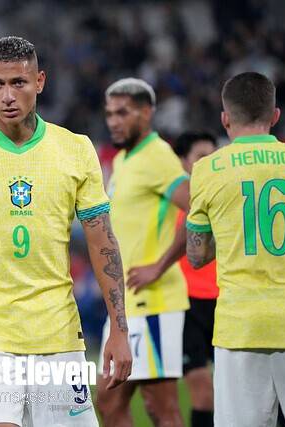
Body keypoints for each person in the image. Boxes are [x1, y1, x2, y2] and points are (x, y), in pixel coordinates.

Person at [0, 36, 132, 427]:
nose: (8, 95)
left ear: (40, 81)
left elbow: (102, 242)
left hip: (59, 334)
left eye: (19, 82)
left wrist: (119, 328)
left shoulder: (75, 149)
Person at [186, 71, 285, 426]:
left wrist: (232, 234)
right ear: (275, 115)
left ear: (225, 118)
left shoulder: (207, 170)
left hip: (239, 327)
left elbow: (196, 256)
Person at [98, 78, 189, 427]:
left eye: (122, 113)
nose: (113, 121)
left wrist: (159, 266)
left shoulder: (157, 156)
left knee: (161, 407)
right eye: (109, 114)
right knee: (109, 402)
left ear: (147, 112)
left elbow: (199, 210)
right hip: (126, 305)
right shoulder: (124, 159)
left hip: (153, 302)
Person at [173, 131, 218, 427]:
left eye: (213, 155)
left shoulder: (225, 195)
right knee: (202, 394)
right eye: (201, 157)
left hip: (225, 302)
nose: (209, 162)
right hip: (186, 304)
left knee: (242, 391)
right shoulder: (172, 200)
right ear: (183, 162)